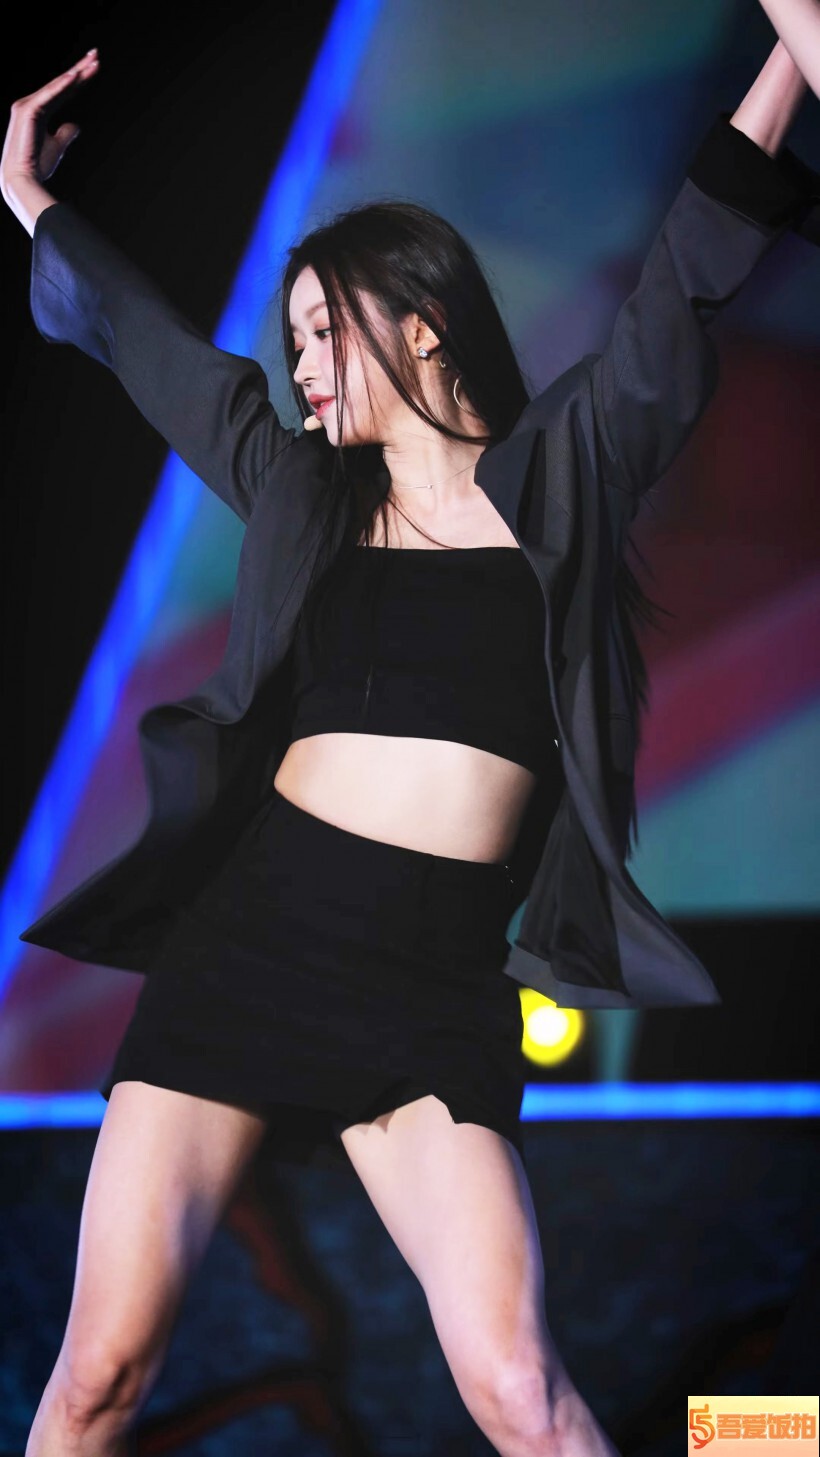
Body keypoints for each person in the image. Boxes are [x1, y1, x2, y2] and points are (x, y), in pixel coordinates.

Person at [2, 12, 818, 1454]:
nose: (304, 365)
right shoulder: (300, 495)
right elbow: (159, 355)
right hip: (249, 956)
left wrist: (793, 52)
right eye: (295, 341)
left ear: (420, 325)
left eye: (327, 331)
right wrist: (29, 202)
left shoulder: (562, 479)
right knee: (97, 1378)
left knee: (521, 1391)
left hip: (430, 994)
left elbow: (685, 282)